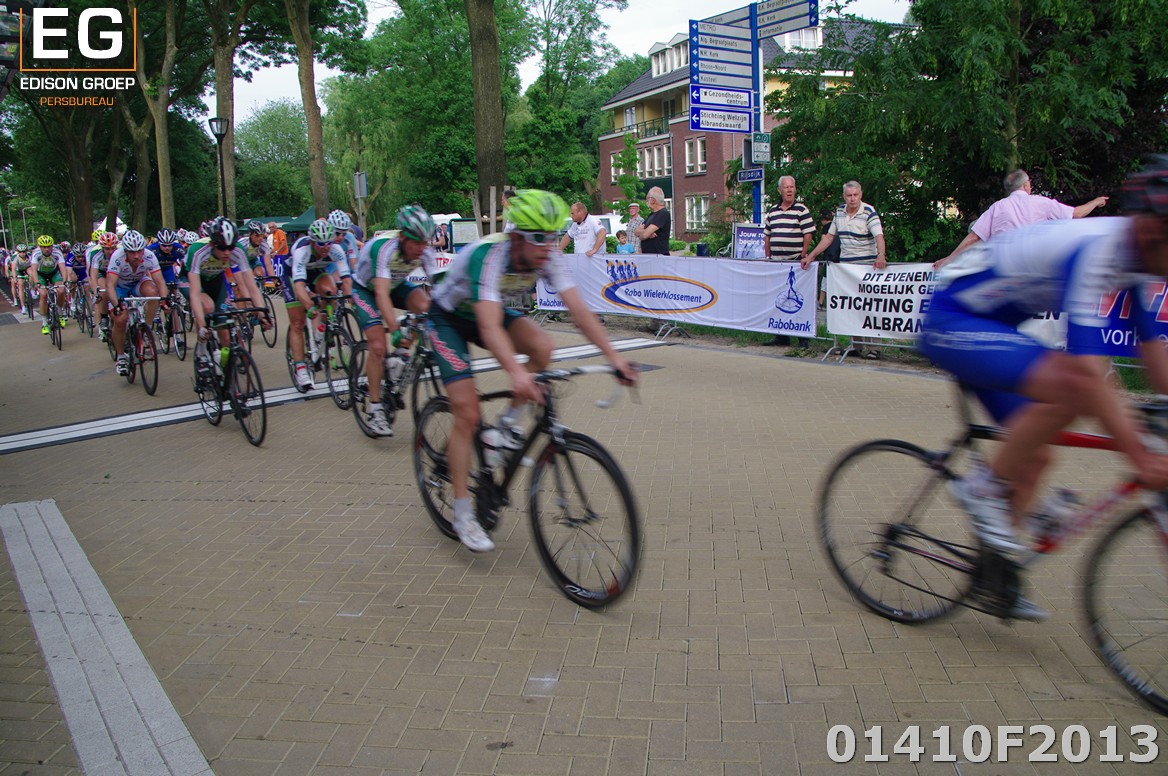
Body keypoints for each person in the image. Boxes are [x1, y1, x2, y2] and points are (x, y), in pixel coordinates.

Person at [918, 157, 1168, 620]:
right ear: (1154, 232)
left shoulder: (1135, 258)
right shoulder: (1098, 249)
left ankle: (996, 579)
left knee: (1035, 457)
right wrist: (1141, 454)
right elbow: (1086, 372)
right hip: (952, 318)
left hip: (994, 325)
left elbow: (1153, 346)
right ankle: (981, 490)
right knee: (1072, 388)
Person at [428, 189, 639, 552]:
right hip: (449, 318)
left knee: (543, 347)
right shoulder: (489, 256)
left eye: (553, 237)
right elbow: (489, 327)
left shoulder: (548, 255)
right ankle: (462, 514)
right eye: (538, 238)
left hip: (486, 311)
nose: (548, 246)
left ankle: (503, 429)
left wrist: (615, 358)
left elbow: (580, 312)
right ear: (516, 237)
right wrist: (517, 374)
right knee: (467, 412)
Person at [351, 205, 440, 436]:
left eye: (425, 243)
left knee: (426, 307)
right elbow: (381, 294)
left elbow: (439, 290)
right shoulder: (384, 248)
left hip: (395, 284)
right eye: (416, 242)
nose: (422, 248)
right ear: (402, 237)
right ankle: (375, 409)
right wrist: (394, 330)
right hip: (366, 289)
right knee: (378, 347)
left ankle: (400, 357)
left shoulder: (425, 251)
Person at [935, 169, 1111, 269]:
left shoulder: (997, 207)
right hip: (1032, 267)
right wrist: (1095, 202)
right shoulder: (1041, 203)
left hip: (1000, 267)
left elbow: (973, 237)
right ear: (1026, 185)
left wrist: (949, 259)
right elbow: (1076, 214)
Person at [802, 181, 888, 358]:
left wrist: (881, 255)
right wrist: (812, 256)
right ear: (844, 196)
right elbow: (828, 238)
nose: (852, 199)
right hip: (847, 268)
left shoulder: (868, 212)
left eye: (855, 195)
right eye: (849, 195)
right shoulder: (840, 212)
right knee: (852, 307)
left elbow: (879, 236)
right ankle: (856, 346)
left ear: (860, 195)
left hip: (867, 268)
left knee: (870, 307)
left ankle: (875, 348)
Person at [286, 218, 353, 389]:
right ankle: (300, 368)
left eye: (328, 243)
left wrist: (351, 299)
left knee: (331, 292)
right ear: (312, 242)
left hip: (316, 271)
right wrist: (309, 306)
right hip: (293, 275)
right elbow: (299, 286)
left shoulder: (336, 250)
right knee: (298, 322)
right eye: (321, 244)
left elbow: (346, 280)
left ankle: (322, 330)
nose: (325, 247)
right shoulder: (302, 251)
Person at [763, 176, 816, 344]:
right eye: (786, 187)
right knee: (779, 299)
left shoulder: (801, 210)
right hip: (777, 262)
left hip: (795, 262)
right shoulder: (773, 211)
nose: (789, 190)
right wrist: (768, 257)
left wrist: (804, 253)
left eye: (792, 187)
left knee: (798, 298)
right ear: (780, 190)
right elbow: (767, 236)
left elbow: (808, 234)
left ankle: (803, 338)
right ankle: (781, 336)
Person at [105, 230, 166, 376]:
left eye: (139, 251)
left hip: (138, 282)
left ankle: (147, 329)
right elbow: (110, 285)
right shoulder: (117, 257)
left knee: (153, 293)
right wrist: (117, 305)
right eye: (132, 252)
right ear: (125, 251)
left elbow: (160, 281)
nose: (137, 255)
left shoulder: (149, 256)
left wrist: (165, 301)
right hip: (120, 287)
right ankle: (121, 357)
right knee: (120, 320)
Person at [29, 235, 67, 335]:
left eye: (49, 246)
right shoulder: (36, 253)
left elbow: (62, 267)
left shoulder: (57, 252)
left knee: (61, 290)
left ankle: (60, 313)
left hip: (54, 273)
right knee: (43, 295)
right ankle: (44, 322)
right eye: (44, 247)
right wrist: (36, 282)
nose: (47, 249)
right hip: (40, 275)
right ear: (40, 247)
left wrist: (65, 281)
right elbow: (33, 269)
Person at [635, 187, 671, 255]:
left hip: (659, 256)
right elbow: (636, 231)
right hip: (648, 256)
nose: (646, 201)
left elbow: (644, 235)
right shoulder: (651, 215)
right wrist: (647, 233)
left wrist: (645, 233)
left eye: (647, 198)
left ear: (653, 200)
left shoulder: (663, 213)